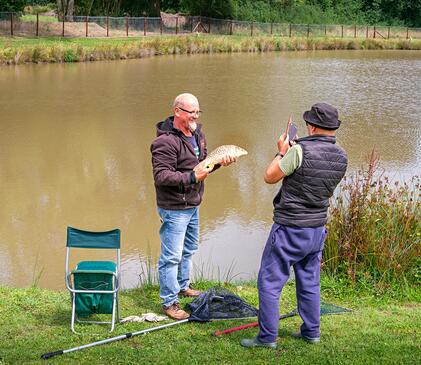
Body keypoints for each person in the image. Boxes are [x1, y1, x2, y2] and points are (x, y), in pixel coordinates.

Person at [241, 102, 348, 348]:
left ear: (311, 126)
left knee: (269, 281)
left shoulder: (298, 152)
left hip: (290, 227)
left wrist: (282, 151)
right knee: (309, 281)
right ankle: (312, 332)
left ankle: (267, 337)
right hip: (317, 228)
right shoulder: (342, 156)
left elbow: (269, 176)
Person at [151, 93, 236, 320]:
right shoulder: (164, 142)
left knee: (188, 250)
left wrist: (219, 164)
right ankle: (169, 302)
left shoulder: (198, 134)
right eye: (191, 112)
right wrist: (191, 177)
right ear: (177, 111)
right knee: (171, 257)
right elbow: (161, 176)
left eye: (198, 111)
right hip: (174, 208)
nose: (195, 116)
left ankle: (183, 285)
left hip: (193, 204)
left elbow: (203, 167)